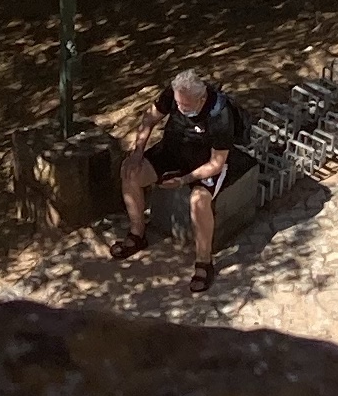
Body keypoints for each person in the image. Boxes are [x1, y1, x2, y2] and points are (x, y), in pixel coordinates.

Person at [107, 69, 251, 292]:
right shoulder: (175, 94)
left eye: (186, 106)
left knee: (199, 201)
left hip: (205, 163)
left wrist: (184, 180)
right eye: (178, 104)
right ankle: (137, 233)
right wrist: (137, 153)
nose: (181, 109)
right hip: (172, 151)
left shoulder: (219, 115)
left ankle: (204, 262)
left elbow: (216, 163)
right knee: (130, 172)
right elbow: (150, 117)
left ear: (201, 99)